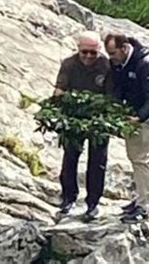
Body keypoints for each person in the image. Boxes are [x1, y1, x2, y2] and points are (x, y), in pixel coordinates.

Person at [104, 32, 149, 223]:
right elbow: (117, 86)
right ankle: (142, 197)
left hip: (147, 115)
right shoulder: (119, 62)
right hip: (132, 112)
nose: (110, 58)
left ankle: (143, 206)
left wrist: (138, 117)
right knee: (134, 156)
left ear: (123, 48)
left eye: (113, 53)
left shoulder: (145, 63)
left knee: (141, 159)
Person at [54, 30, 114, 222]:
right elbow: (60, 89)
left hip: (99, 119)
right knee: (70, 157)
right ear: (78, 49)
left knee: (97, 162)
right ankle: (68, 198)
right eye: (85, 52)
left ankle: (93, 202)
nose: (88, 56)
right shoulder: (69, 65)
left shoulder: (107, 66)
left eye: (93, 53)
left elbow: (113, 94)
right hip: (74, 117)